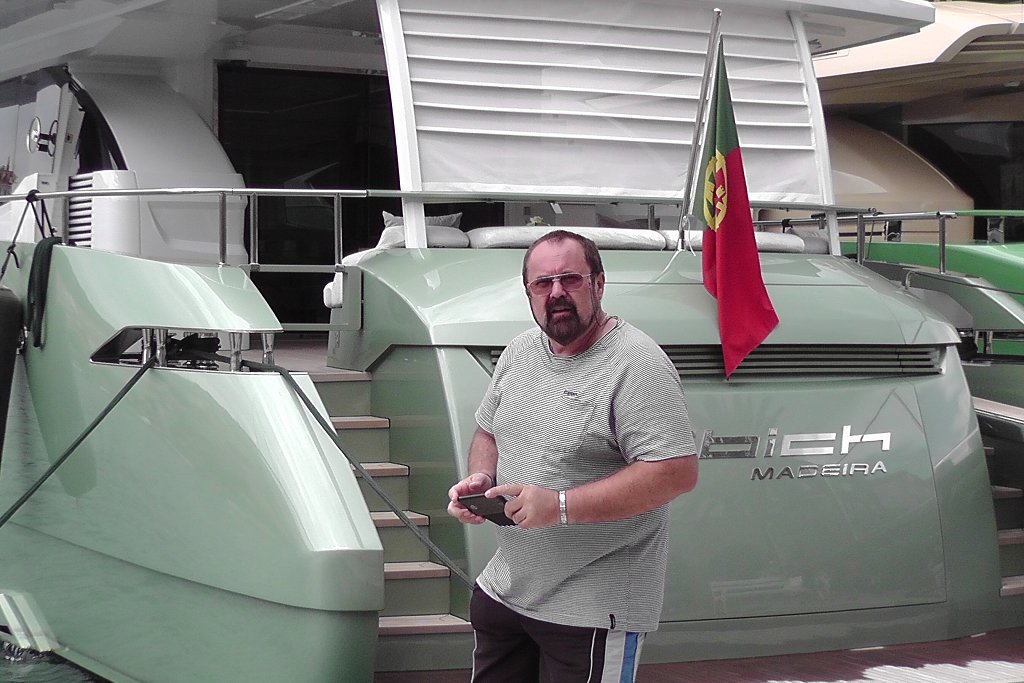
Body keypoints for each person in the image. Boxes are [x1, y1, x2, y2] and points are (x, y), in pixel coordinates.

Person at [447, 230, 699, 682]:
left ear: (599, 283)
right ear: (529, 293)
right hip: (506, 592)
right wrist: (481, 479)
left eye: (570, 279)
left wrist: (560, 507)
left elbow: (674, 472)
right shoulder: (520, 351)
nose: (556, 293)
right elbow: (488, 431)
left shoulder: (637, 363)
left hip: (592, 610)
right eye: (543, 283)